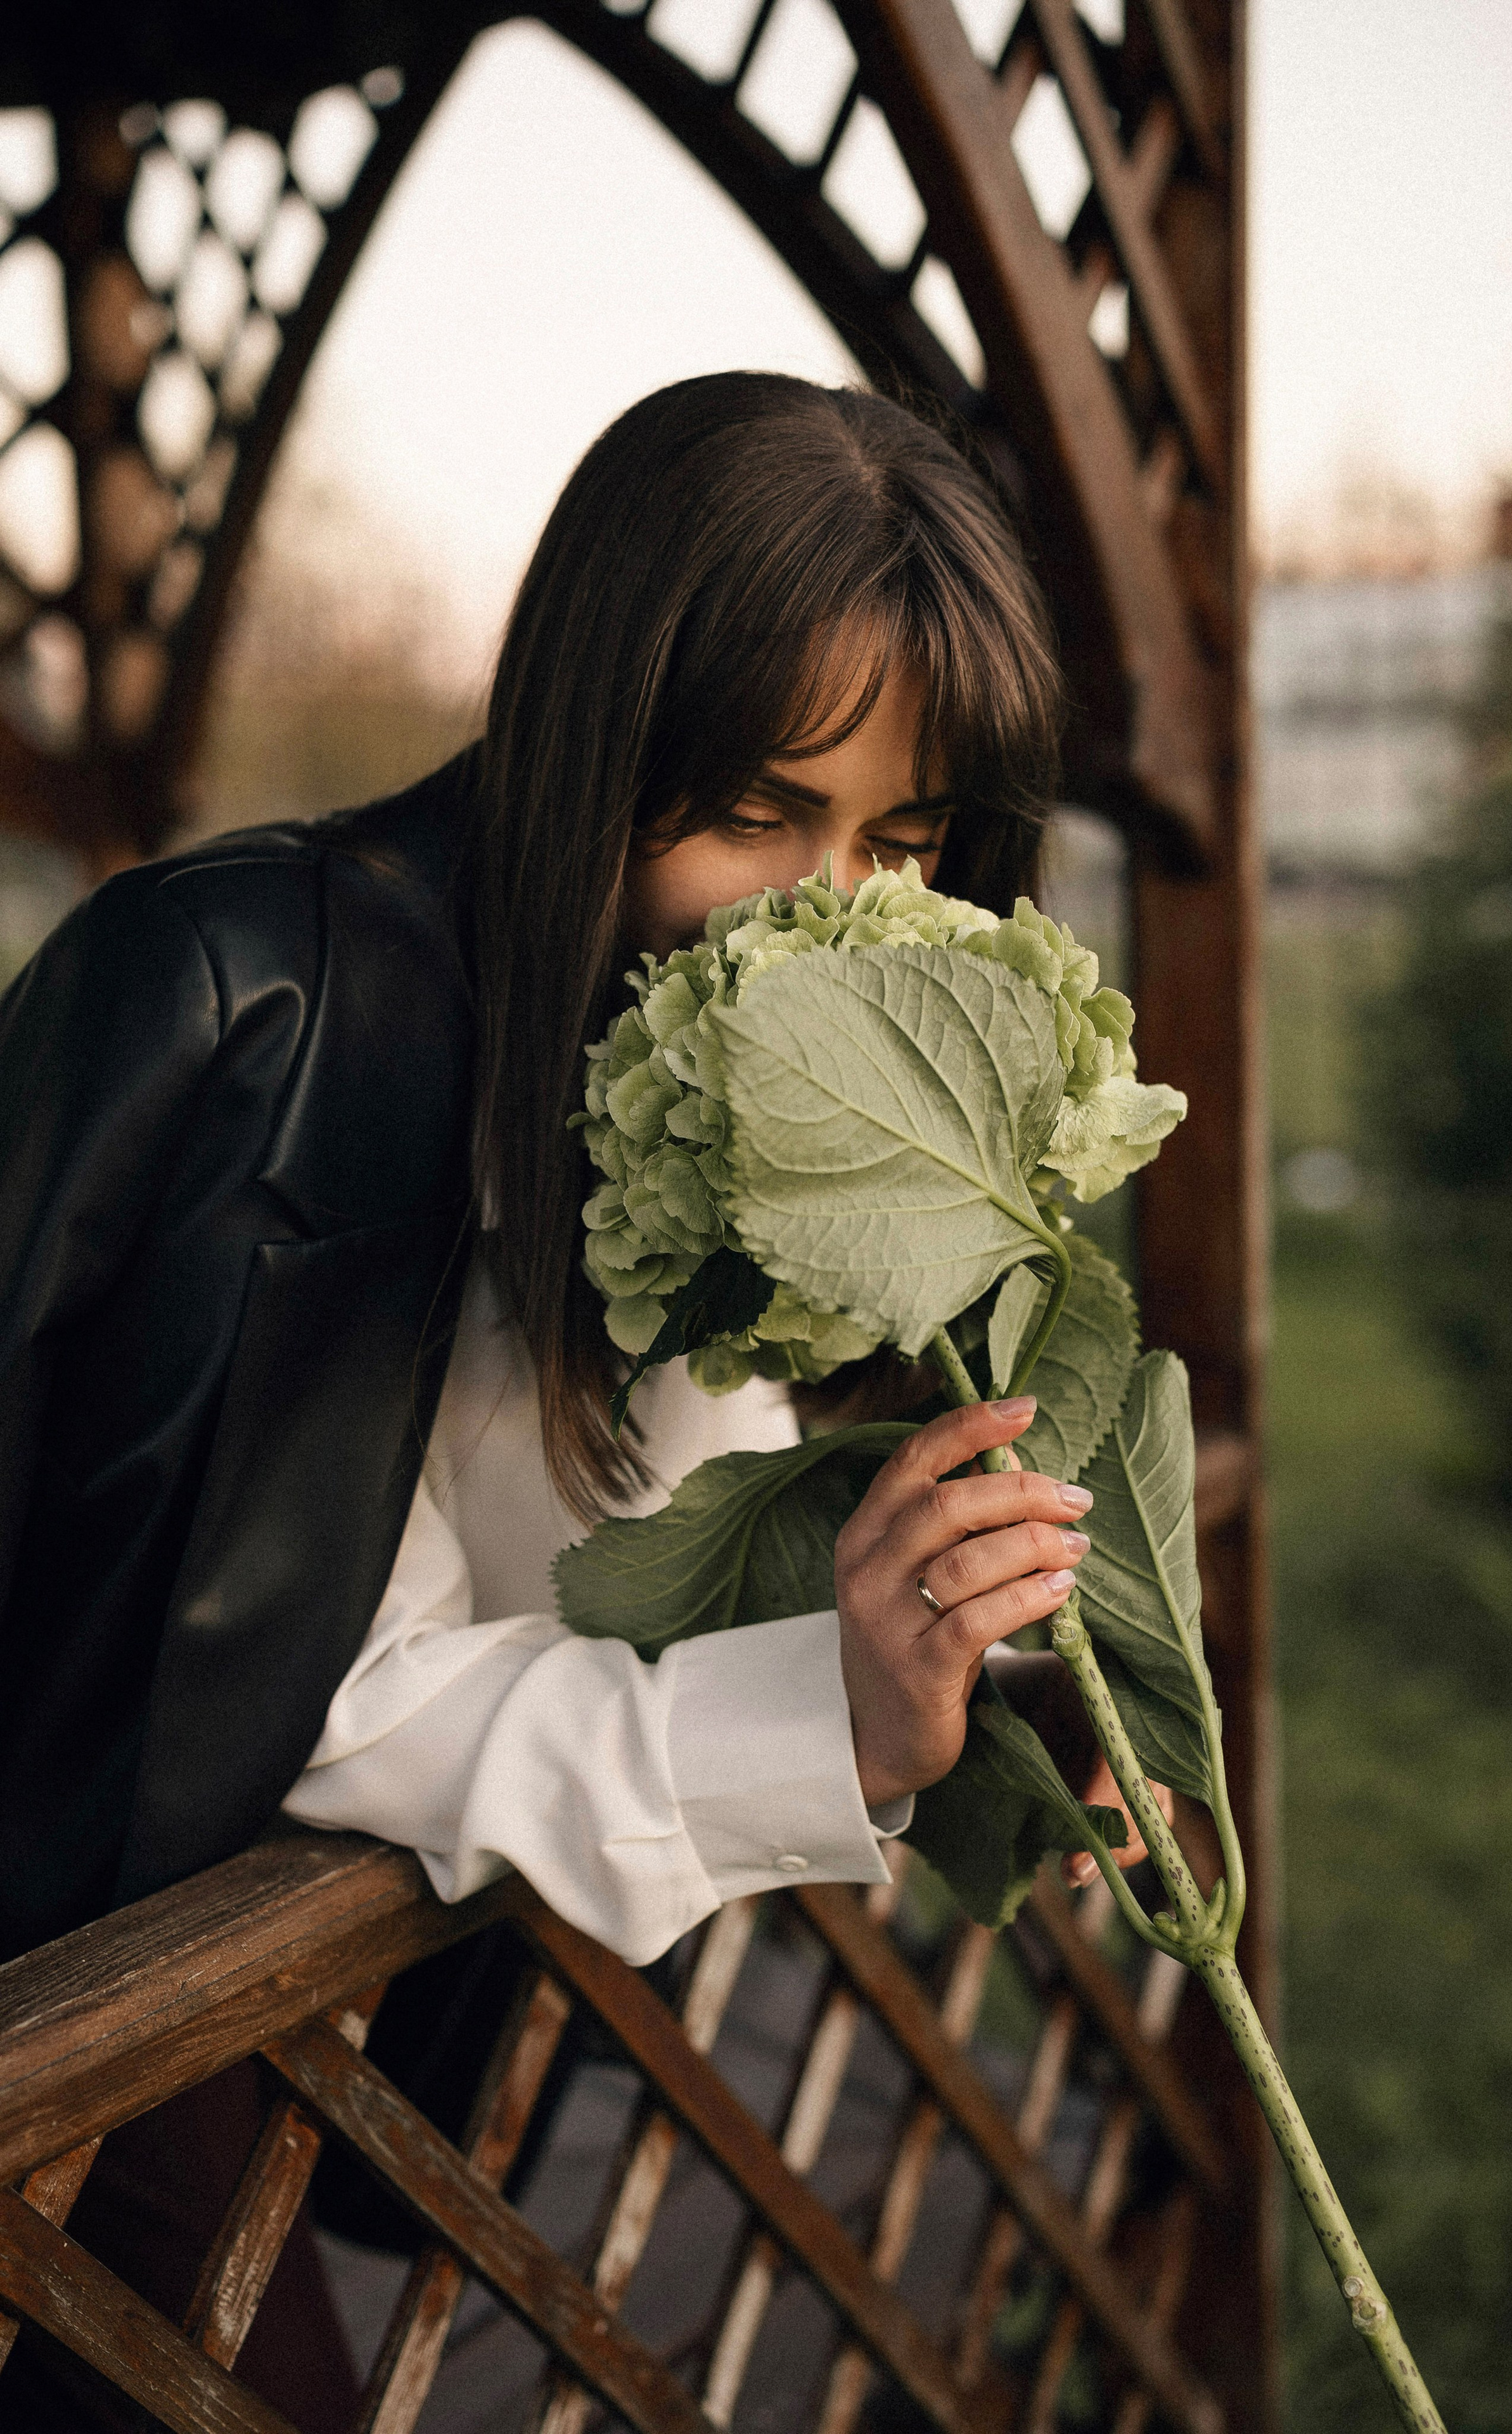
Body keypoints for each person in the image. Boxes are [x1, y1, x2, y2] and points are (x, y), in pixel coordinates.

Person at [0, 372, 1162, 2428]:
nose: (827, 913)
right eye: (757, 815)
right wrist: (821, 1719)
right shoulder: (252, 1011)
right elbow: (306, 1698)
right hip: (87, 2011)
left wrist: (968, 1689)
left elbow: (649, 1558)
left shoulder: (706, 1083)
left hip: (351, 2028)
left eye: (901, 841)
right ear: (591, 749)